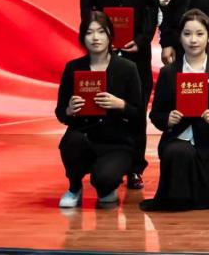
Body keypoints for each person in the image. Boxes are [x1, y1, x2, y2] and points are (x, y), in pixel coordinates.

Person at [79, 0, 161, 189]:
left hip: (136, 51)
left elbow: (153, 8)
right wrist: (97, 41)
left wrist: (142, 39)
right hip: (102, 53)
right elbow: (86, 7)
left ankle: (135, 167)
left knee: (135, 108)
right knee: (100, 104)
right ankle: (99, 160)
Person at [141, 9, 209, 211]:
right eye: (187, 34)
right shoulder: (168, 73)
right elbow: (156, 114)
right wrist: (168, 119)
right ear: (180, 37)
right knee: (179, 152)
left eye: (199, 34)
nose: (193, 40)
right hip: (178, 140)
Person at [55, 11, 143, 208]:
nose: (95, 38)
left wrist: (121, 105)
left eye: (101, 32)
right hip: (84, 137)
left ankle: (107, 187)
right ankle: (74, 188)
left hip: (116, 142)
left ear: (110, 35)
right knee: (71, 142)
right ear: (82, 37)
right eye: (89, 32)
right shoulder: (73, 68)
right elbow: (60, 112)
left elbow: (138, 113)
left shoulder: (127, 68)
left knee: (104, 180)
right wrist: (69, 110)